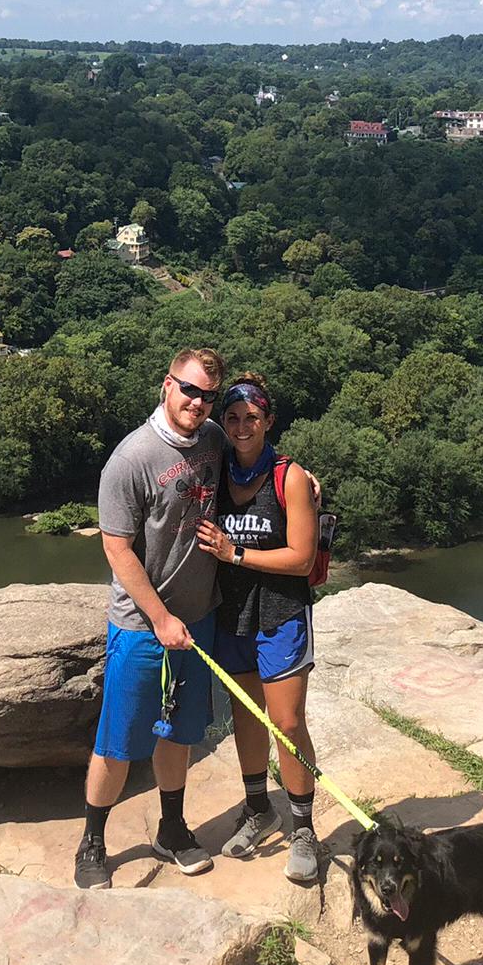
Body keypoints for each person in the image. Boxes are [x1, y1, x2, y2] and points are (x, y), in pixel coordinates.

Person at [76, 347, 227, 890]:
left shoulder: (212, 440)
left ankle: (172, 827)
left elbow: (258, 460)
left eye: (208, 395)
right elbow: (117, 550)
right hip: (144, 626)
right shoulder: (131, 459)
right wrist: (160, 617)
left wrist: (301, 481)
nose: (198, 403)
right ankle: (93, 839)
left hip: (197, 619)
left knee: (179, 734)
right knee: (118, 741)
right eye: (189, 390)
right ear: (166, 385)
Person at [195, 371, 325, 885]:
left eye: (252, 417)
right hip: (232, 613)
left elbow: (301, 558)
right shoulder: (216, 466)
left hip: (281, 613)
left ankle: (303, 828)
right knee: (246, 717)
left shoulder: (288, 477)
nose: (242, 425)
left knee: (287, 723)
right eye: (232, 417)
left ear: (269, 420)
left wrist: (235, 553)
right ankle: (258, 809)